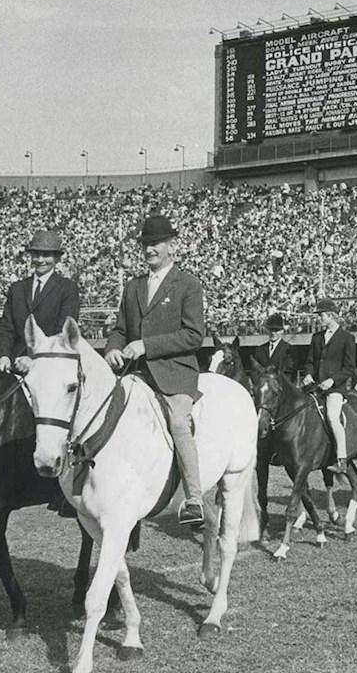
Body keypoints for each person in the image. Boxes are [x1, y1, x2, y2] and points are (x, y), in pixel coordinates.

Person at [105, 214, 206, 528]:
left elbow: (194, 335)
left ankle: (194, 499)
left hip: (176, 372)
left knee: (178, 421)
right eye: (146, 244)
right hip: (137, 373)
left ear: (170, 245)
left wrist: (146, 345)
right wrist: (112, 348)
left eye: (156, 244)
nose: (150, 250)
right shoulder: (133, 286)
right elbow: (121, 329)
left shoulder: (188, 284)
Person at [0, 230, 81, 375]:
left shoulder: (67, 289)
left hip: (50, 368)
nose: (40, 260)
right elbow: (6, 328)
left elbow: (62, 334)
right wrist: (3, 356)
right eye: (36, 254)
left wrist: (34, 358)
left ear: (57, 259)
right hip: (15, 367)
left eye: (46, 255)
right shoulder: (17, 289)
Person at [303, 298, 356, 474]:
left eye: (322, 316)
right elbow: (310, 360)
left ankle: (342, 459)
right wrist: (309, 374)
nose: (319, 319)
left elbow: (349, 367)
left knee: (332, 417)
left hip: (335, 388)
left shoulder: (347, 338)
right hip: (316, 386)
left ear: (331, 316)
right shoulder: (317, 337)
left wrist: (332, 381)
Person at [253, 313, 295, 380]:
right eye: (271, 330)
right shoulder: (260, 349)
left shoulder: (289, 349)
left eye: (276, 330)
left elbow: (289, 373)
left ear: (282, 331)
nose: (273, 333)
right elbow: (255, 372)